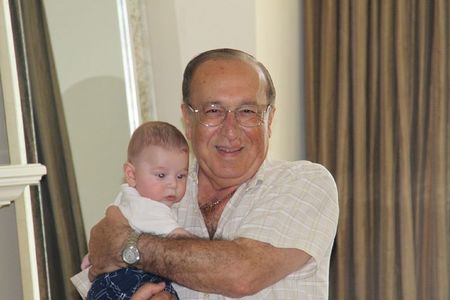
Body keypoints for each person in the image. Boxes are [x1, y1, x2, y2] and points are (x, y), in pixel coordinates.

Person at [88, 48, 339, 299]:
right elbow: (99, 271)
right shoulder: (152, 190)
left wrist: (128, 246)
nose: (230, 131)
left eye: (248, 111)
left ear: (269, 119)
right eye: (213, 111)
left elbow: (243, 274)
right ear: (187, 119)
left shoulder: (303, 183)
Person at [72, 121, 192, 299]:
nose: (173, 184)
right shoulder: (149, 207)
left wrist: (90, 257)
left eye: (181, 176)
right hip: (130, 282)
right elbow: (184, 245)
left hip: (105, 284)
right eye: (161, 175)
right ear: (131, 174)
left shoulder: (125, 197)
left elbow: (108, 236)